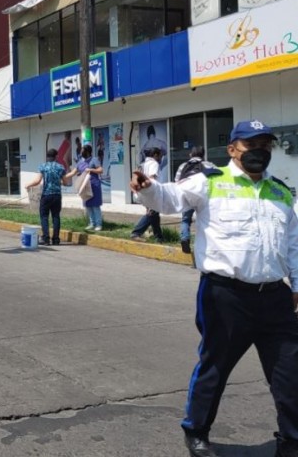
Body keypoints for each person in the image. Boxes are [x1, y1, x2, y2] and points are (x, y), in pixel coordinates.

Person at [130, 120, 298, 457]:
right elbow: (169, 198)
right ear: (234, 149)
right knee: (214, 367)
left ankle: (292, 440)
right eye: (253, 145)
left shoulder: (281, 191)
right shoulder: (210, 181)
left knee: (290, 373)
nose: (260, 152)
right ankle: (196, 431)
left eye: (266, 146)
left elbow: (293, 244)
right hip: (225, 295)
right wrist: (147, 187)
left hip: (275, 298)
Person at [26, 148, 76, 246]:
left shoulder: (43, 166)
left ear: (47, 157)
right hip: (57, 195)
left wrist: (28, 185)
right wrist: (58, 182)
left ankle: (46, 238)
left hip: (46, 195)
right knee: (56, 216)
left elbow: (37, 181)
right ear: (56, 156)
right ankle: (56, 239)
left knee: (44, 216)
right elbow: (65, 182)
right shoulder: (60, 167)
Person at [174, 146, 215, 254]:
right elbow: (215, 180)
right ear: (203, 155)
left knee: (185, 220)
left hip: (187, 196)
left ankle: (185, 238)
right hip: (203, 197)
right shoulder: (208, 165)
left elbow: (177, 181)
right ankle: (207, 243)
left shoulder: (183, 166)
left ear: (190, 155)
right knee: (206, 221)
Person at [130, 148, 164, 242]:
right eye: (160, 156)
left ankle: (159, 237)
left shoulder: (142, 165)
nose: (161, 158)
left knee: (154, 215)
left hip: (143, 193)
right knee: (152, 213)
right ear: (155, 155)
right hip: (151, 193)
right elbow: (152, 179)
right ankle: (136, 233)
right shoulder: (154, 164)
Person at [74, 144, 103, 231]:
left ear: (87, 151)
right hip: (85, 186)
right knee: (88, 205)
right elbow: (74, 172)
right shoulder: (80, 162)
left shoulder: (94, 160)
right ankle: (91, 223)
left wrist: (90, 170)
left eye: (82, 150)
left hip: (94, 185)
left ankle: (98, 224)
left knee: (95, 205)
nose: (81, 152)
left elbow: (100, 170)